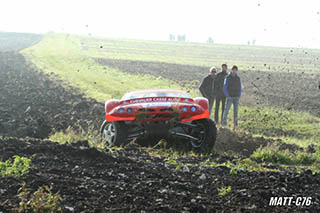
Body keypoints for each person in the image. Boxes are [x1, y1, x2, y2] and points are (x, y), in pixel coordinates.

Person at [222, 65, 242, 129]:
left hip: (236, 97)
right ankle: (224, 123)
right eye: (233, 69)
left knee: (236, 112)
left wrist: (239, 95)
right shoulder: (227, 77)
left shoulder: (238, 78)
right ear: (232, 70)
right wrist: (227, 95)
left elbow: (240, 87)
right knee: (226, 110)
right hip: (230, 97)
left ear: (236, 71)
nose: (234, 71)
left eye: (236, 70)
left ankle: (235, 125)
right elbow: (224, 87)